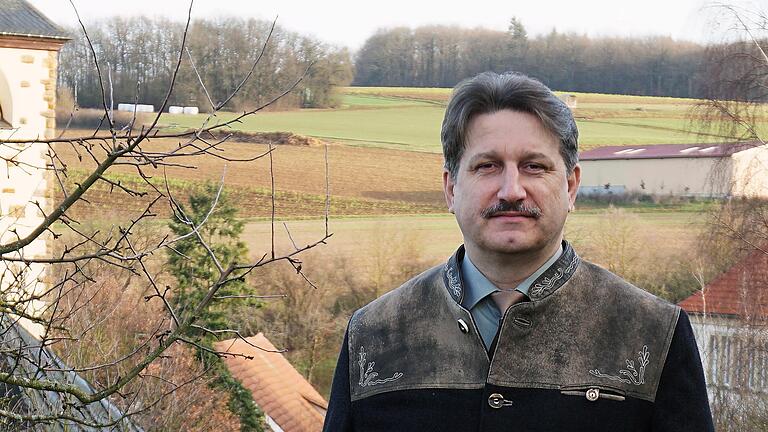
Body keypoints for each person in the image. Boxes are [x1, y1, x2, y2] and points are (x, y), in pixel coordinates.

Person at [322, 72, 713, 432]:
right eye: (488, 166)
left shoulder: (652, 334)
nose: (511, 190)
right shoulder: (373, 334)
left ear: (571, 186)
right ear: (451, 188)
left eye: (534, 166)